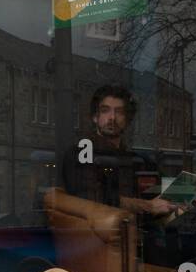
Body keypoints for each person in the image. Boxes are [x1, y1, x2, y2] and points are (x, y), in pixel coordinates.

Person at [59, 85, 180, 218]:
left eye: (119, 112)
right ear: (95, 117)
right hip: (99, 235)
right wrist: (148, 206)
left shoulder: (139, 160)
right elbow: (91, 198)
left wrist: (183, 196)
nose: (112, 117)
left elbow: (163, 196)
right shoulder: (80, 154)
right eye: (105, 110)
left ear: (128, 120)